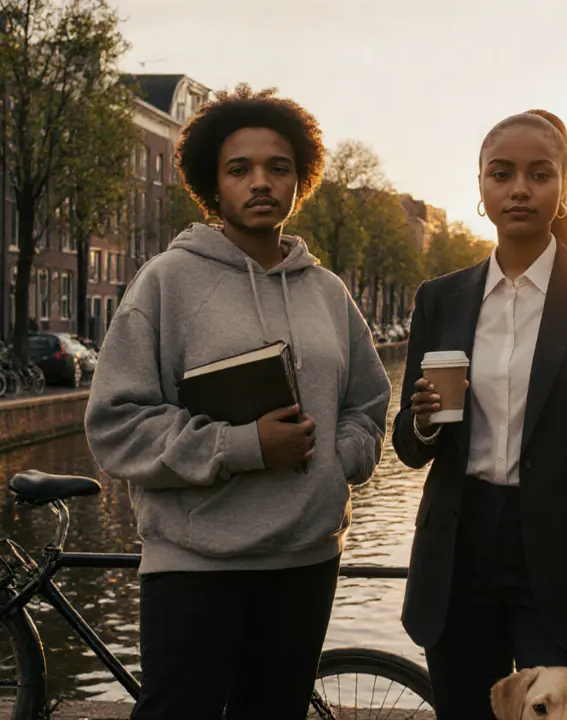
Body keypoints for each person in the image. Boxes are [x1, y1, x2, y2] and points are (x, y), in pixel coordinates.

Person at [84, 85, 391, 720]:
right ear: (212, 184)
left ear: (299, 182)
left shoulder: (329, 292)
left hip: (306, 560)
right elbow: (116, 424)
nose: (260, 182)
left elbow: (368, 401)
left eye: (278, 168)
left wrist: (341, 457)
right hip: (195, 563)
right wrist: (245, 446)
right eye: (239, 169)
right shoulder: (167, 281)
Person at [393, 109, 567, 720]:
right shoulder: (442, 297)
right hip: (460, 552)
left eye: (539, 174)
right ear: (480, 188)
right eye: (501, 173)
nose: (519, 189)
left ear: (562, 186)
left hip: (562, 557)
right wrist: (424, 420)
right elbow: (408, 441)